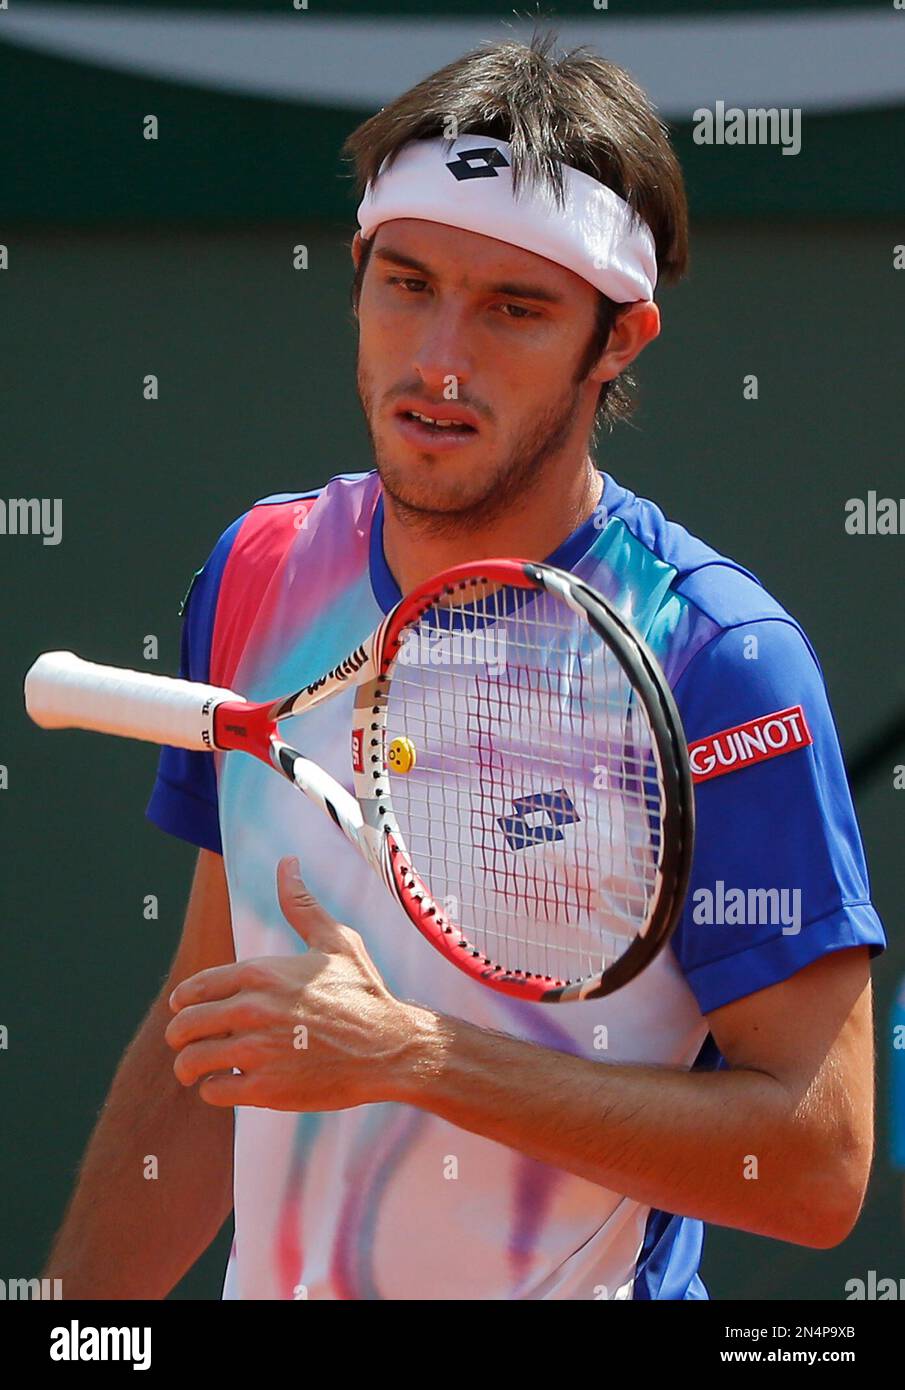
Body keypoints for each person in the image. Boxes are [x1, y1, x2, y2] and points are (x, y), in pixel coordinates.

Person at [45, 33, 885, 1301]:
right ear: (357, 279)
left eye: (513, 307)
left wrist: (415, 1057)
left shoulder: (721, 662)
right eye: (408, 282)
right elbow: (209, 1037)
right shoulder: (261, 568)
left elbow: (814, 1164)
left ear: (619, 339)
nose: (438, 356)